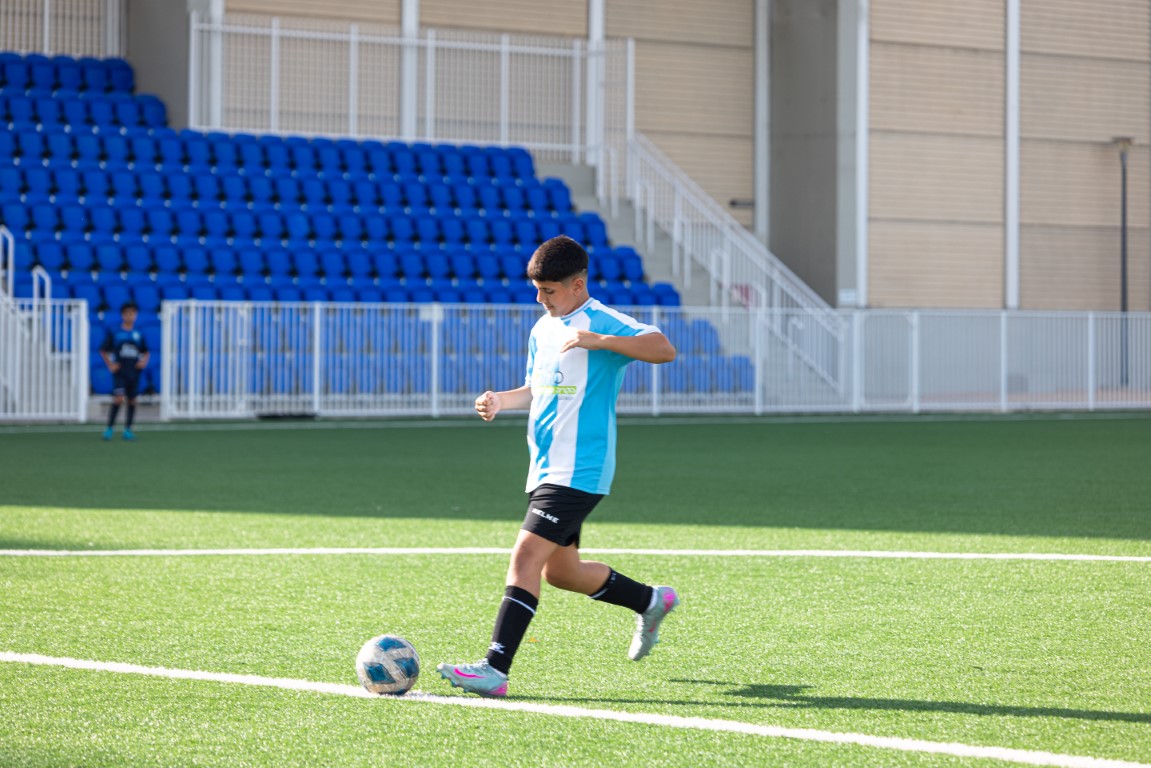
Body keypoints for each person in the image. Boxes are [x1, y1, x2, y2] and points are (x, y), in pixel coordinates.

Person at [437, 235, 679, 698]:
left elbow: (664, 348)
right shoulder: (542, 329)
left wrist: (599, 341)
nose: (540, 299)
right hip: (545, 467)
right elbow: (536, 389)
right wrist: (499, 401)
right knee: (561, 573)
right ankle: (651, 600)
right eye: (537, 290)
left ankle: (495, 670)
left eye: (548, 290)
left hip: (580, 468)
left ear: (577, 285)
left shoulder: (602, 320)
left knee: (525, 557)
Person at [100, 301, 149, 441]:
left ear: (136, 315)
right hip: (120, 372)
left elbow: (146, 351)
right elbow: (103, 350)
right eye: (127, 313)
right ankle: (109, 428)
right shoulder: (115, 332)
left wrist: (143, 362)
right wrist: (110, 364)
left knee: (132, 400)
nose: (130, 316)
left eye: (132, 313)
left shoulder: (138, 334)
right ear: (122, 315)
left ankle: (128, 429)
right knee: (118, 399)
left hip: (134, 373)